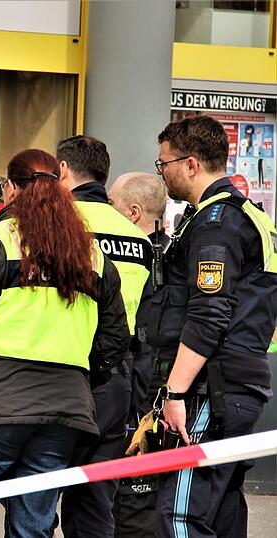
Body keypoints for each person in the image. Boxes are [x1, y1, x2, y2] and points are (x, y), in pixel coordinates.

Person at [0, 148, 130, 538]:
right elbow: (115, 340)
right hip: (62, 414)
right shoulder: (89, 254)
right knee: (33, 527)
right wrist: (81, 380)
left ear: (10, 188)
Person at [149, 115, 277, 538]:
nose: (161, 171)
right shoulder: (248, 216)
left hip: (212, 389)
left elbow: (208, 314)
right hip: (240, 383)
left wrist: (175, 392)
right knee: (221, 513)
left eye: (163, 163)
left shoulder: (215, 224)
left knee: (180, 514)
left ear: (190, 164)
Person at [56, 136, 152, 538]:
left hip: (63, 371)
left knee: (37, 491)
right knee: (96, 497)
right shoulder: (140, 239)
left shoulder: (57, 226)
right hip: (117, 378)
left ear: (63, 171)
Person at [107, 172, 170, 538]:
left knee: (133, 504)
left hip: (143, 398)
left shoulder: (158, 262)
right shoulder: (163, 254)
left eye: (111, 205)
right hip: (131, 391)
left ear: (132, 212)